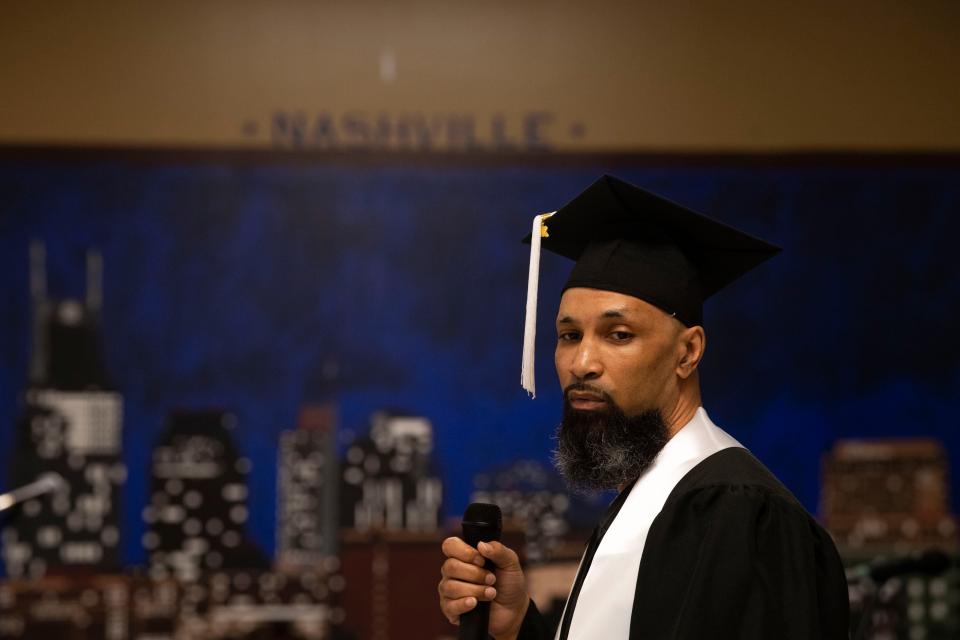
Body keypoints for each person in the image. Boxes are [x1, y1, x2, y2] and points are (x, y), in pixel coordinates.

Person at [437, 175, 850, 639]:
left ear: (688, 352)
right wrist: (518, 627)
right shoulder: (648, 501)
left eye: (619, 335)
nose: (582, 363)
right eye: (569, 335)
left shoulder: (736, 514)